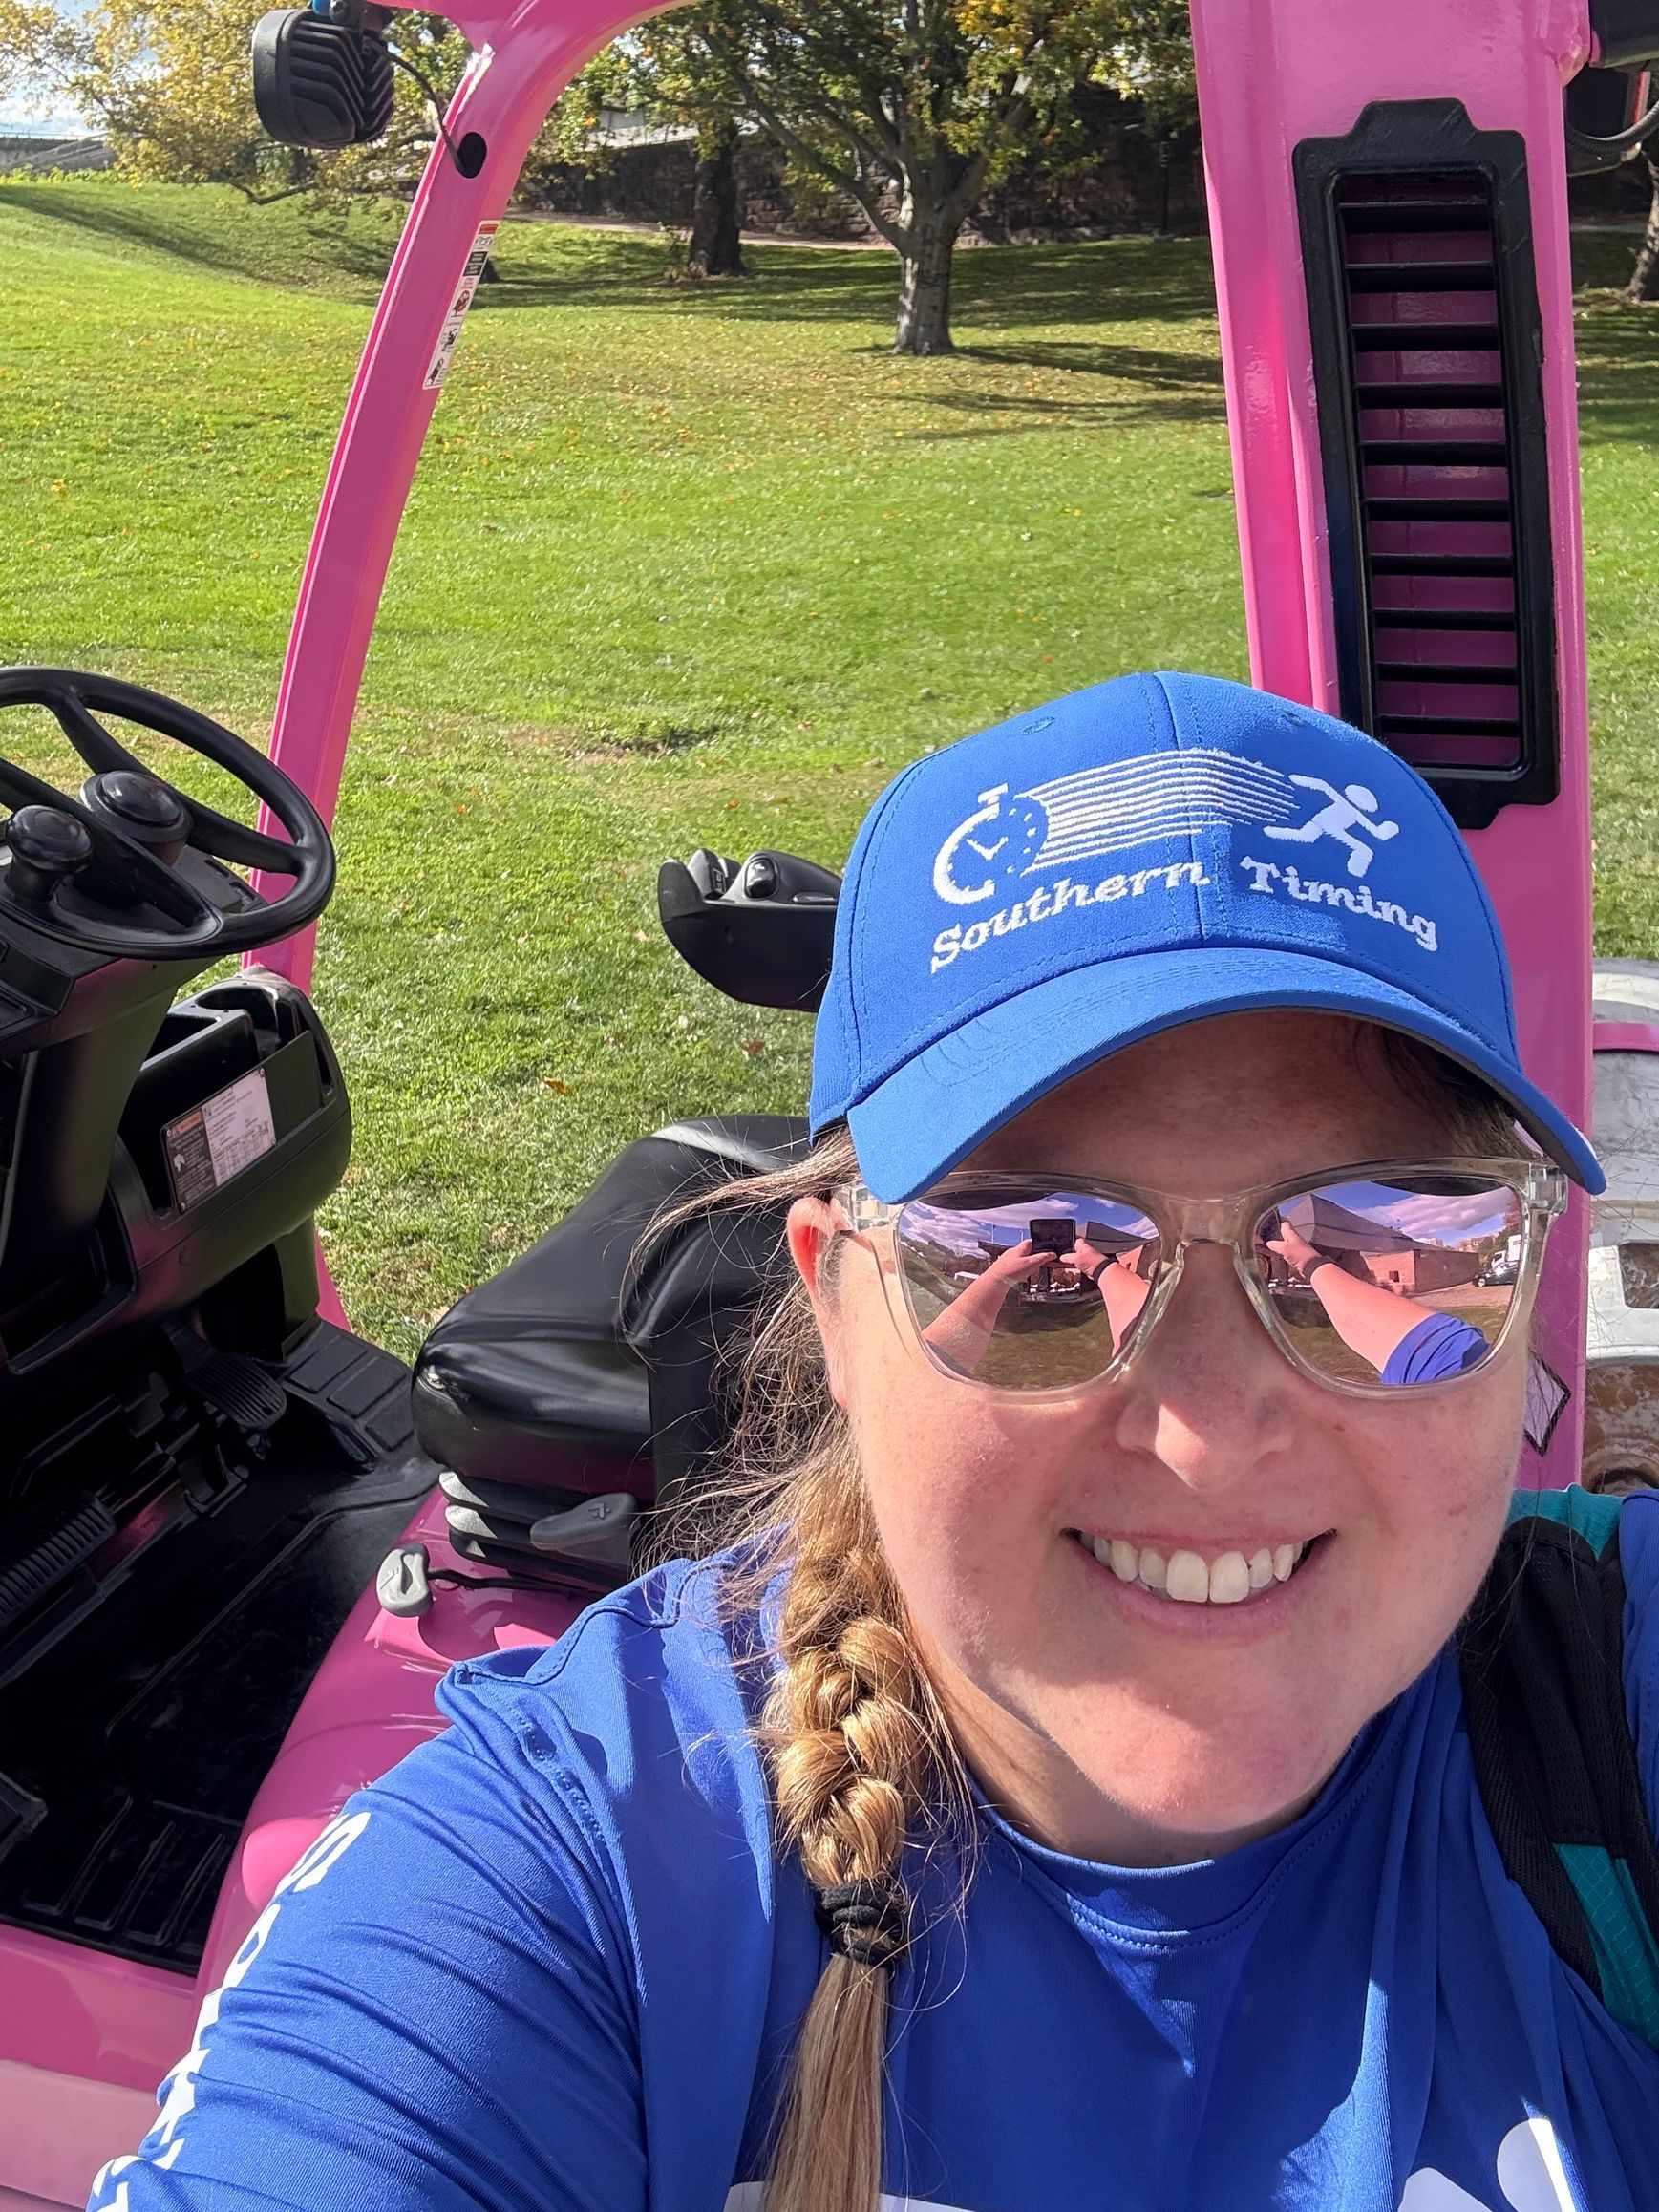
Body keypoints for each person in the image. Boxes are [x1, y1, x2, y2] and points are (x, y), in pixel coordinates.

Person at [93, 673, 1659, 2212]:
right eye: (1038, 1256)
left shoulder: (1619, 1699)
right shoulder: (580, 1878)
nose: (1207, 1435)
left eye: (1384, 1245)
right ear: (833, 1308)